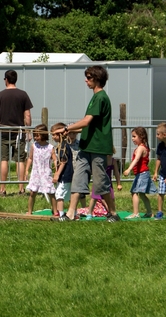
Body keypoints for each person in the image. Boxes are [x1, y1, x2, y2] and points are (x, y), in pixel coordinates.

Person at [52, 66, 120, 222]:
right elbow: (88, 125)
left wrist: (67, 127)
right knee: (78, 179)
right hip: (86, 146)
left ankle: (113, 213)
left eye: (88, 77)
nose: (86, 80)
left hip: (98, 147)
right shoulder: (95, 97)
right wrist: (69, 131)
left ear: (96, 79)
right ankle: (69, 214)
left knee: (100, 183)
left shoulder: (101, 97)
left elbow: (86, 121)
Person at [0, 69, 33, 197]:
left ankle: (2, 190)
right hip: (19, 132)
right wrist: (28, 129)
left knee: (4, 160)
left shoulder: (0, 95)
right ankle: (21, 189)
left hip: (4, 132)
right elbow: (27, 115)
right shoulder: (23, 95)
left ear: (6, 80)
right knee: (20, 160)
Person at [123, 127, 156, 219]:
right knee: (141, 194)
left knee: (134, 192)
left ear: (141, 137)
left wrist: (129, 169)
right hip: (141, 174)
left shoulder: (141, 148)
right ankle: (149, 212)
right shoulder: (140, 147)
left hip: (142, 174)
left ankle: (135, 213)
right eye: (132, 136)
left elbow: (137, 159)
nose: (132, 139)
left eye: (134, 136)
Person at [25, 124, 57, 214]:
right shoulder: (34, 146)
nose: (35, 137)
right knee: (32, 192)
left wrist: (56, 169)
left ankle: (55, 211)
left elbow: (54, 159)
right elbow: (30, 158)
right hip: (36, 173)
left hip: (46, 173)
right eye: (34, 135)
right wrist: (27, 170)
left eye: (37, 135)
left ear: (43, 135)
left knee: (51, 192)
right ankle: (29, 211)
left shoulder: (50, 147)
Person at [84, 149, 121, 220]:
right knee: (94, 197)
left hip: (108, 183)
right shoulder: (99, 160)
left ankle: (111, 212)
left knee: (111, 198)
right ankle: (89, 213)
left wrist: (118, 183)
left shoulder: (113, 161)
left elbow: (116, 173)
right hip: (98, 181)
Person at [51, 122, 74, 218]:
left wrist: (57, 174)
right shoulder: (62, 145)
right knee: (67, 195)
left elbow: (63, 161)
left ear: (60, 134)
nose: (52, 137)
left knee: (59, 194)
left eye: (54, 135)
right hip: (67, 175)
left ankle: (61, 214)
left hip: (64, 175)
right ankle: (72, 212)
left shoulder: (63, 146)